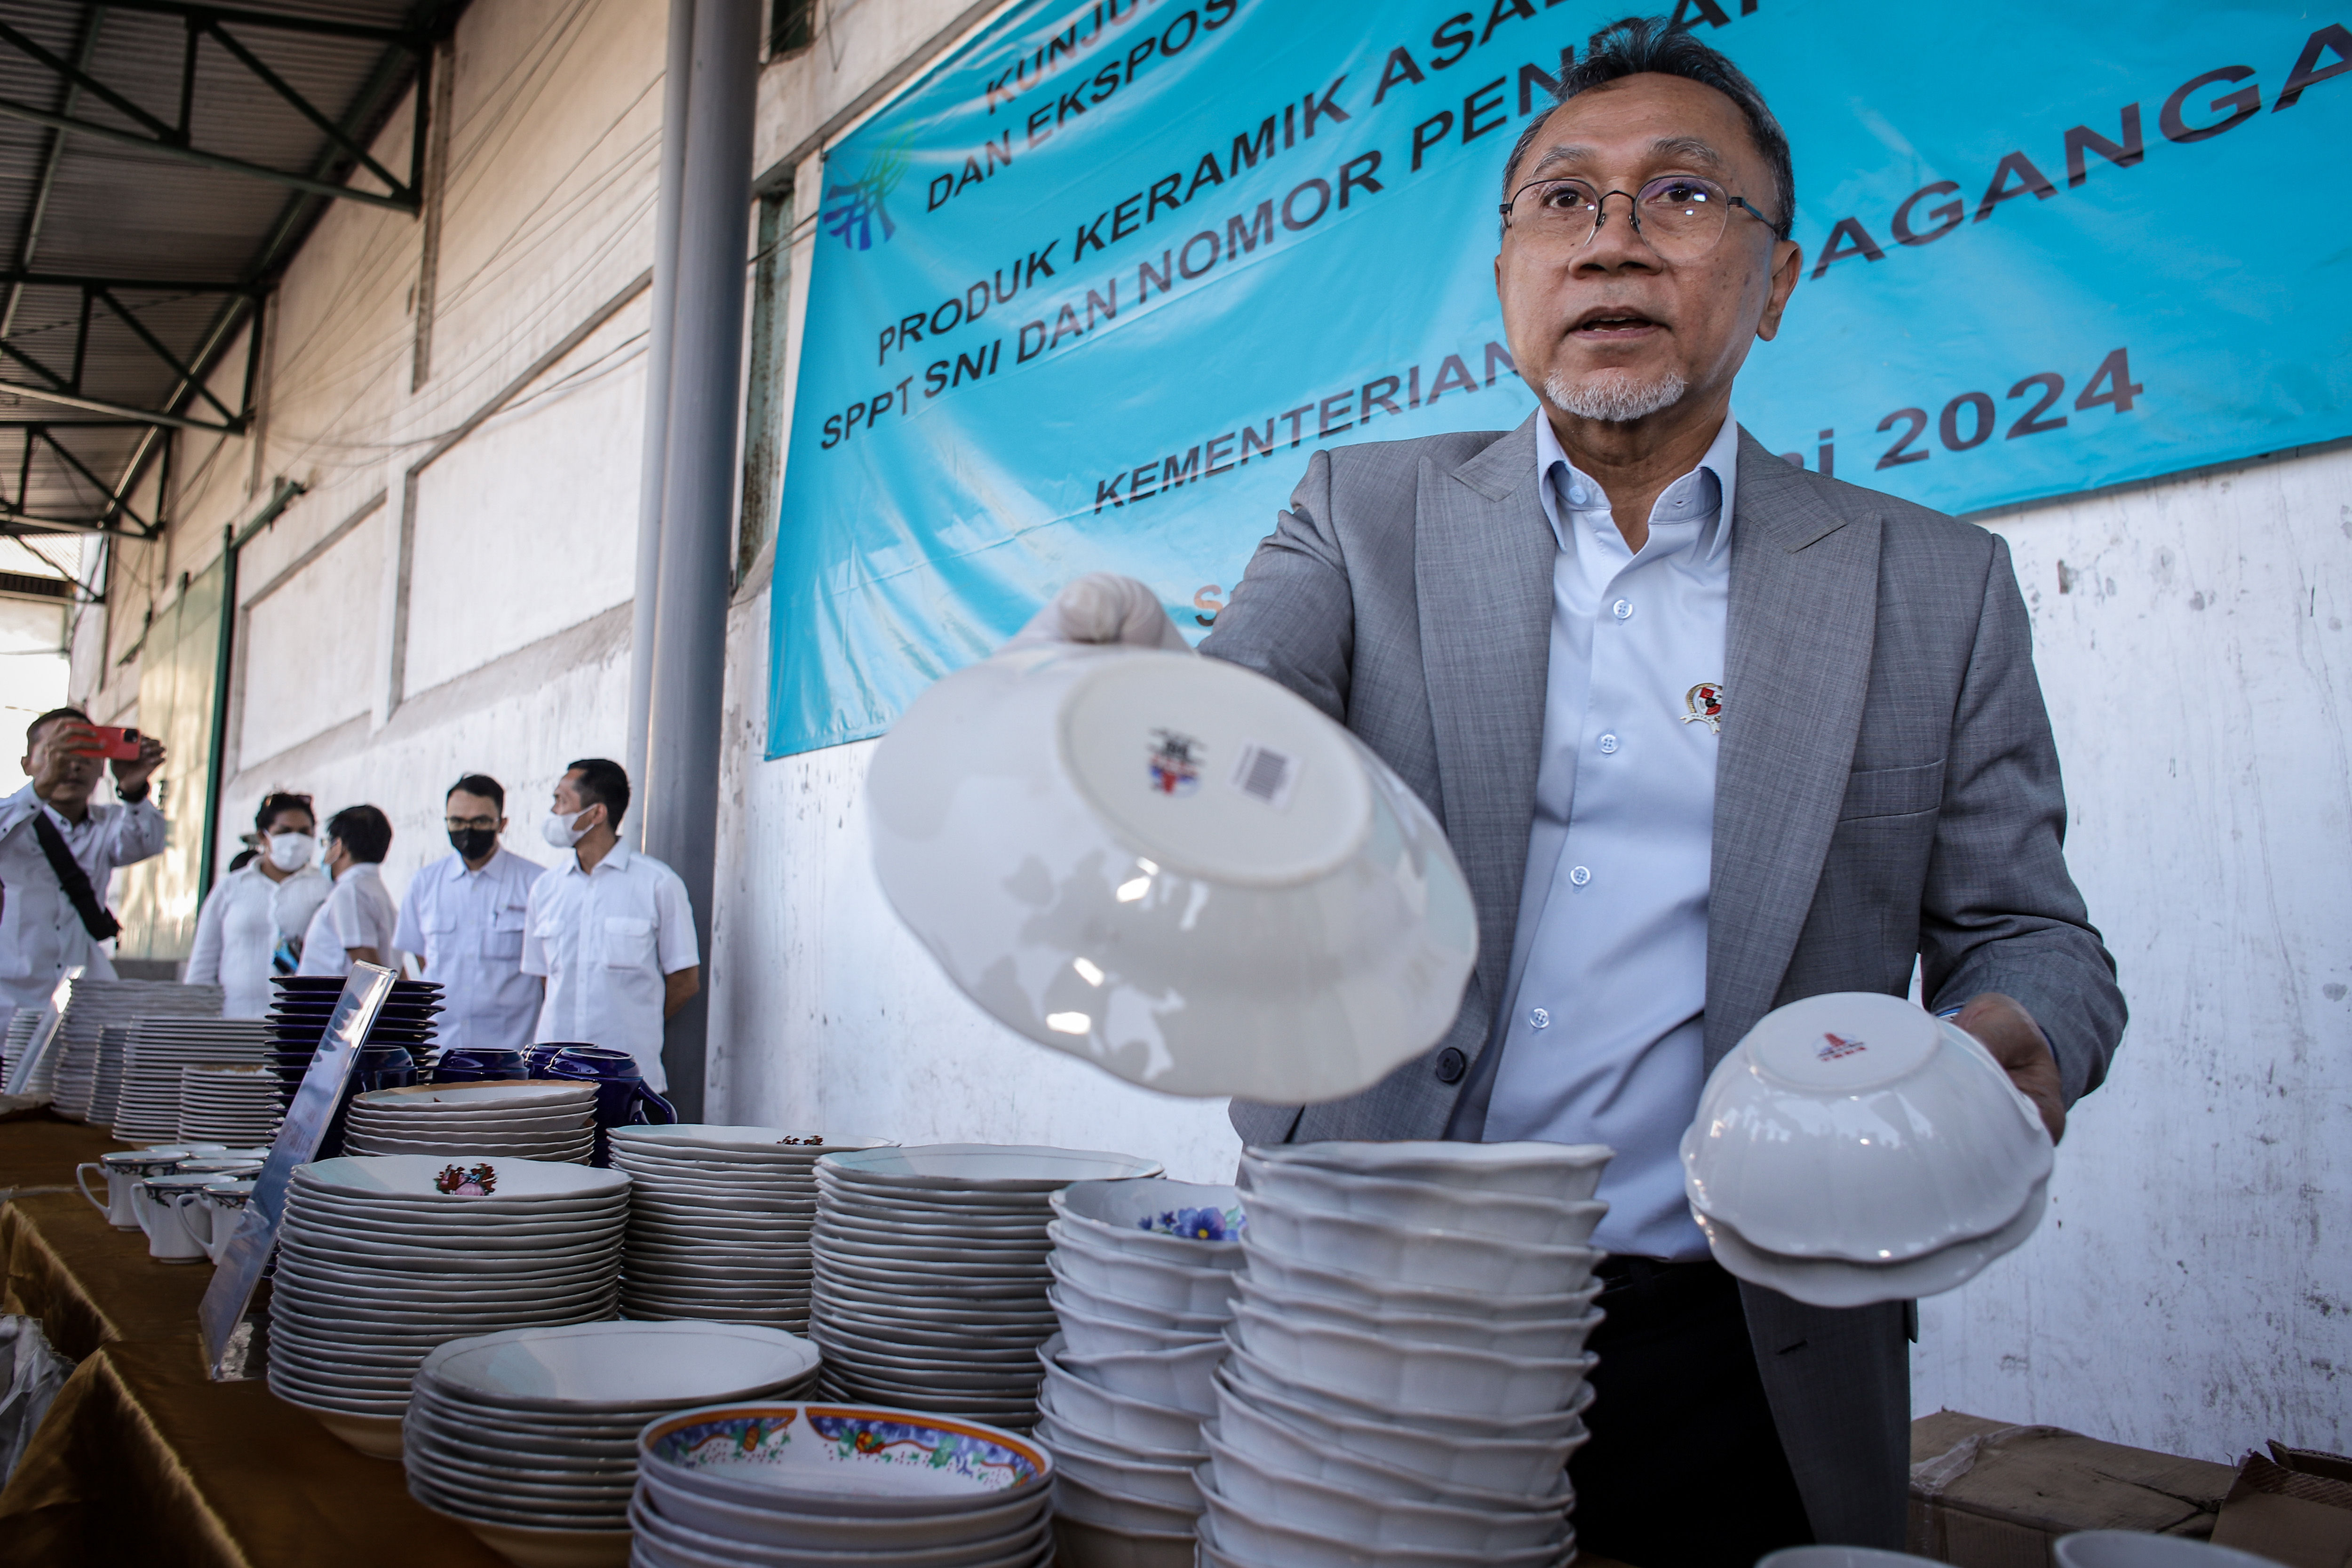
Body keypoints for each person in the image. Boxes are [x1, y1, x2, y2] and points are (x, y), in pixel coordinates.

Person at [1015, 19, 2126, 1564]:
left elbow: (2034, 935)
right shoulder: (1361, 516)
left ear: (1780, 280)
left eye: (1682, 194)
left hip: (1750, 1339)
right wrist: (1138, 725)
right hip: (1369, 1299)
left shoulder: (1932, 586)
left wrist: (2014, 1034)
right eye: (1563, 198)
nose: (1613, 239)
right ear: (1506, 278)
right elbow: (1236, 745)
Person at [521, 759, 698, 1091]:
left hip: (629, 1080)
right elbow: (546, 978)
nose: (554, 811)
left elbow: (685, 981)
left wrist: (637, 1023)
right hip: (553, 1080)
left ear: (596, 813)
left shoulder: (659, 884)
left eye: (562, 800)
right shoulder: (545, 889)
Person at [0, 708, 167, 1020]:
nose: (74, 765)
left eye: (86, 753)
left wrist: (133, 791)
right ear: (27, 764)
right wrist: (39, 790)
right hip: (9, 1006)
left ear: (102, 766)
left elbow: (147, 842)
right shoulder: (11, 820)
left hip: (81, 1007)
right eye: (59, 753)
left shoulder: (108, 823)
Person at [395, 774, 544, 1057]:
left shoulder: (535, 884)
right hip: (440, 1049)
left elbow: (545, 972)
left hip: (510, 1053)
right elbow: (422, 957)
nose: (468, 830)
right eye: (457, 821)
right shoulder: (425, 883)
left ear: (502, 824)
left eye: (480, 821)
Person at [186, 792, 331, 1018]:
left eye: (304, 832)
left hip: (301, 1022)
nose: (295, 840)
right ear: (263, 837)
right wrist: (196, 1018)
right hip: (235, 1020)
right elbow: (203, 963)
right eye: (284, 832)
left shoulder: (326, 889)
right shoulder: (231, 888)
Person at [296, 805, 398, 978]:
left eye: (328, 844)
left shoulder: (350, 892)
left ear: (339, 846)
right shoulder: (376, 891)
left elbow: (370, 972)